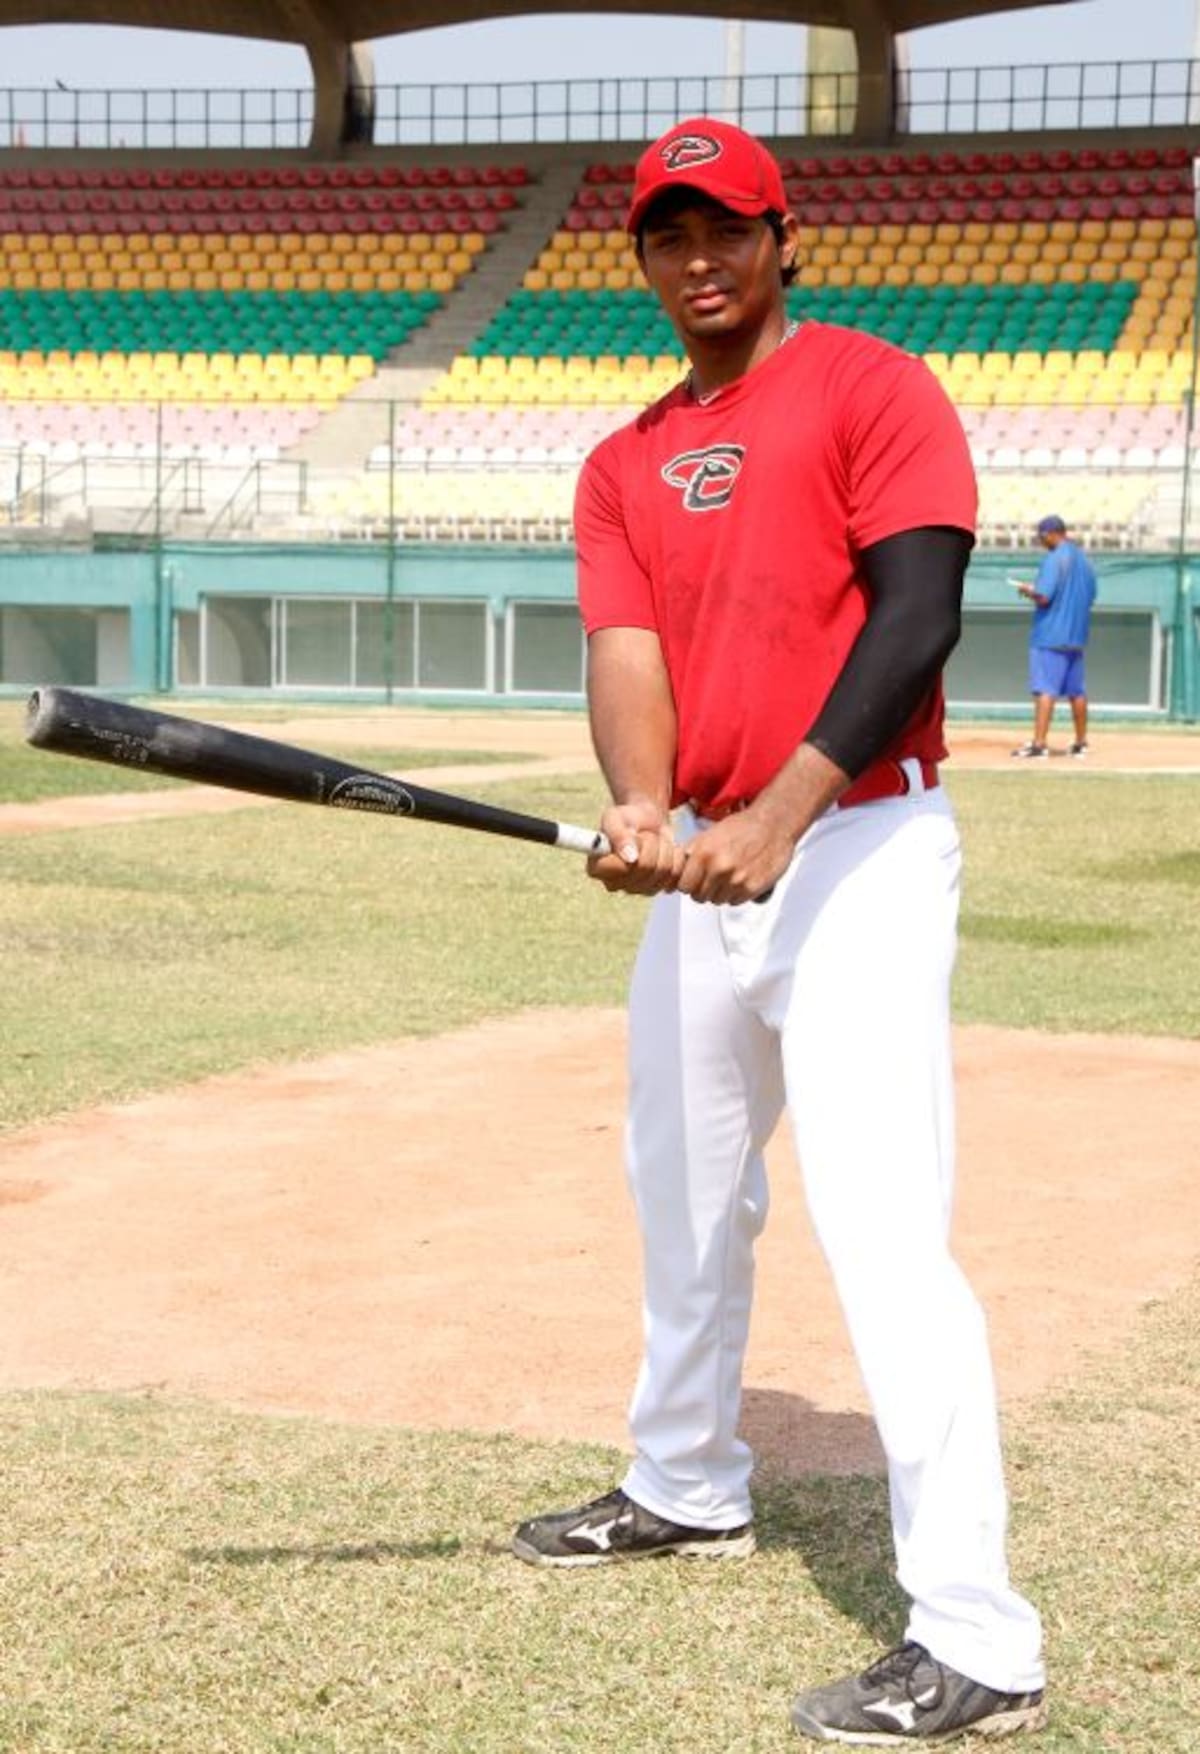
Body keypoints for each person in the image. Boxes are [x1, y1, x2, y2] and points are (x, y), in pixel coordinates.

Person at [510, 118, 1047, 1746]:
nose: (698, 261)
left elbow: (919, 611)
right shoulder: (621, 461)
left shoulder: (877, 390)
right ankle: (686, 1479)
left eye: (725, 229)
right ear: (646, 260)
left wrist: (782, 809)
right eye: (669, 236)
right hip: (708, 874)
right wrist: (643, 804)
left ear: (780, 235)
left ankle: (979, 1639)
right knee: (679, 1189)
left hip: (860, 847)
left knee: (885, 1231)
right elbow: (627, 649)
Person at [1010, 515, 1098, 759]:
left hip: (1050, 634)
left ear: (1051, 533)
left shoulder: (1053, 559)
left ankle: (1039, 744)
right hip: (1076, 635)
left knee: (1044, 689)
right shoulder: (1084, 561)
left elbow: (1044, 596)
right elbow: (1092, 596)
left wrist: (1028, 590)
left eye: (1042, 537)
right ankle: (1081, 743)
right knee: (1076, 692)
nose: (1041, 542)